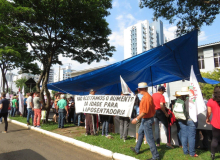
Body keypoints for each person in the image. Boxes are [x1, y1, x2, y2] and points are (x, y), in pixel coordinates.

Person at [130, 82, 159, 160]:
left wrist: (136, 119)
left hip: (146, 120)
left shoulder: (146, 98)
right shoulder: (146, 96)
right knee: (140, 133)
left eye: (139, 89)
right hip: (146, 119)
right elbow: (152, 109)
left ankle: (155, 156)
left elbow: (144, 112)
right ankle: (137, 149)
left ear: (142, 89)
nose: (138, 90)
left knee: (149, 139)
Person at [176, 87, 198, 157]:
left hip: (181, 119)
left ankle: (185, 151)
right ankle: (192, 153)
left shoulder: (180, 100)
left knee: (184, 135)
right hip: (190, 119)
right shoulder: (192, 101)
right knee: (191, 136)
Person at [206, 86, 220, 160]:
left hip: (216, 123)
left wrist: (207, 118)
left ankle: (213, 155)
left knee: (215, 139)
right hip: (216, 123)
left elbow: (209, 112)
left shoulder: (211, 101)